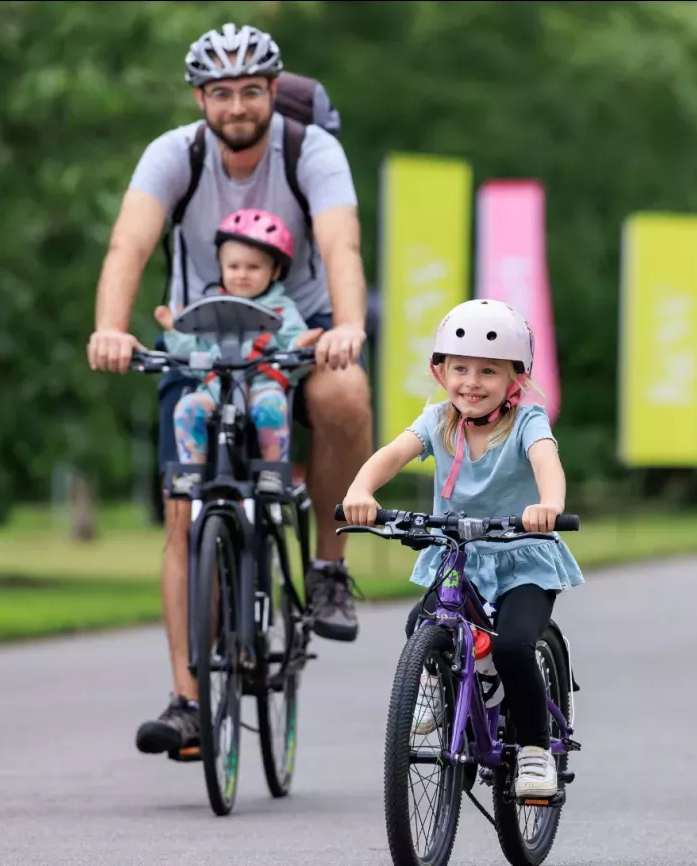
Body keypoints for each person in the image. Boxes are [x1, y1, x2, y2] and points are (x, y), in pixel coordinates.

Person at [86, 23, 374, 755]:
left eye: (251, 90)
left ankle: (330, 567)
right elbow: (130, 243)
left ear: (274, 92)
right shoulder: (174, 154)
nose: (237, 105)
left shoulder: (311, 151)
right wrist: (111, 329)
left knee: (345, 394)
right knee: (185, 516)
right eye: (222, 93)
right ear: (200, 98)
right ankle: (187, 700)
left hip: (295, 330)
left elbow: (341, 243)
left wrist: (344, 326)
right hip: (199, 336)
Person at [340, 300, 584, 799]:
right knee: (422, 626)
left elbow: (546, 464)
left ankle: (535, 750)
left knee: (515, 644)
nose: (471, 382)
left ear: (515, 377)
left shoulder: (527, 422)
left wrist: (549, 505)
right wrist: (361, 491)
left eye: (488, 371)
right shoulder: (437, 422)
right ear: (441, 371)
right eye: (460, 368)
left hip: (524, 558)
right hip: (460, 557)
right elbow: (391, 455)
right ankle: (442, 697)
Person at [155, 208, 322, 501]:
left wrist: (301, 347)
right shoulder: (209, 309)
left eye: (253, 267)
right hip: (215, 390)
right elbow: (195, 354)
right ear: (221, 267)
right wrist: (177, 331)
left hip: (262, 388)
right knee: (187, 408)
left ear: (275, 271)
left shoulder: (282, 310)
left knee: (272, 405)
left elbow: (294, 352)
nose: (242, 274)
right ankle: (189, 472)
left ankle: (272, 471)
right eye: (234, 266)